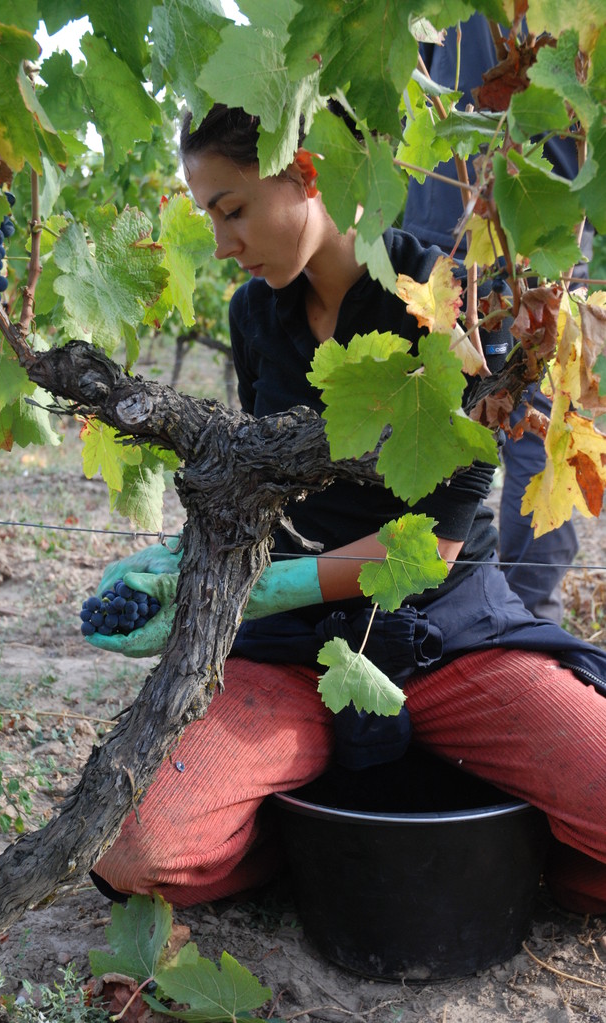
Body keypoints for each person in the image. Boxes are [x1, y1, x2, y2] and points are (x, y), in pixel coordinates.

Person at [86, 103, 606, 916]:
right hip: (295, 652)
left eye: (232, 210)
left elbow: (429, 547)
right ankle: (296, 838)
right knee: (132, 851)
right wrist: (189, 559)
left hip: (445, 637)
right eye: (209, 218)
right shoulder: (254, 315)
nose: (222, 245)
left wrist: (270, 585)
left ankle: (512, 840)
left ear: (308, 174)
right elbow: (258, 479)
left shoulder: (451, 305)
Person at [401, 12, 591, 624]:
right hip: (539, 235)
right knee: (539, 430)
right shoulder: (574, 17)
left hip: (438, 229)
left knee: (438, 419)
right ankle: (522, 613)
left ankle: (435, 602)